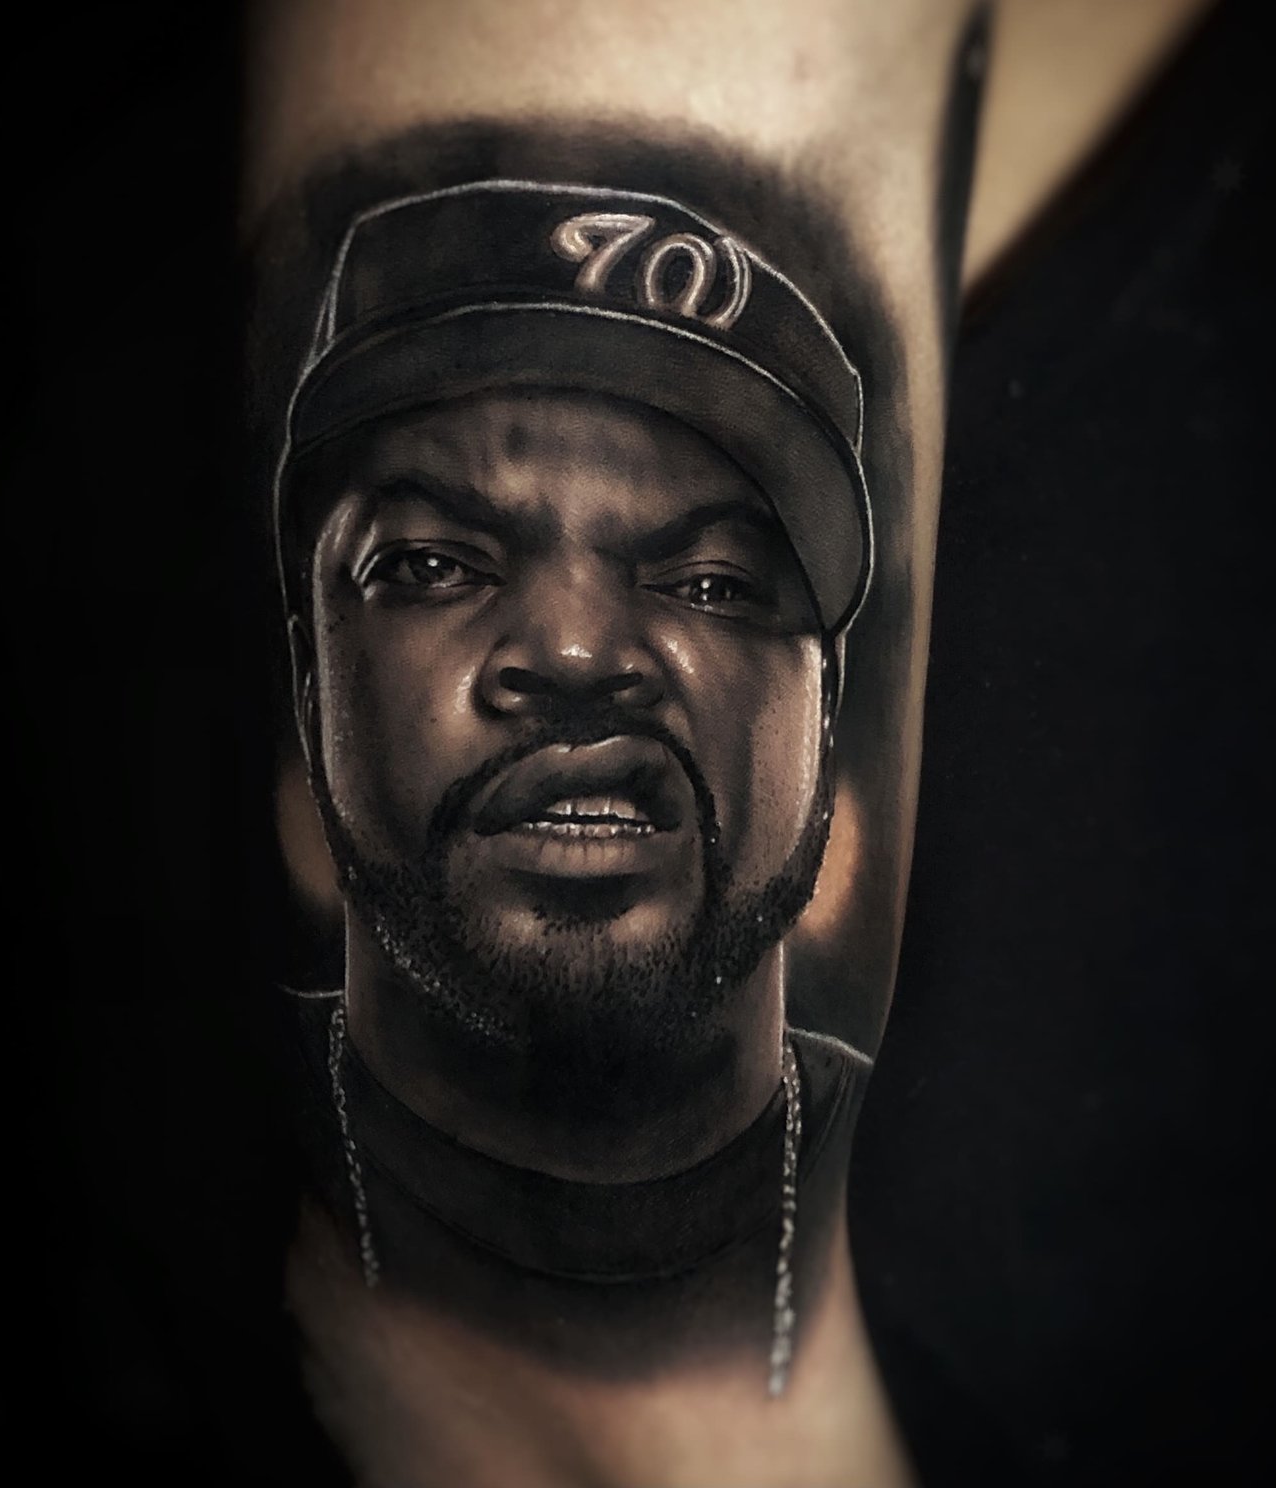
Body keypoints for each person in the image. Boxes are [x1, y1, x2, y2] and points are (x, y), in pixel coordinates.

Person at [269, 179, 906, 1482]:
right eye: (433, 564)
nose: (573, 652)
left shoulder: (989, 1196)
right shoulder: (91, 1176)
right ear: (309, 675)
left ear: (827, 709)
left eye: (713, 581)